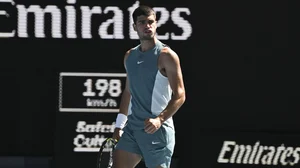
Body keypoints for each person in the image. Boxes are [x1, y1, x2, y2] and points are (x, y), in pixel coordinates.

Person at [112, 4, 186, 168]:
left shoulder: (167, 56)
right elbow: (128, 92)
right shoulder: (129, 56)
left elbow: (180, 95)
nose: (147, 26)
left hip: (157, 131)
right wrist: (119, 125)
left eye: (151, 22)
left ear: (156, 24)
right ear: (134, 27)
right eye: (142, 22)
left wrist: (159, 120)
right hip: (133, 129)